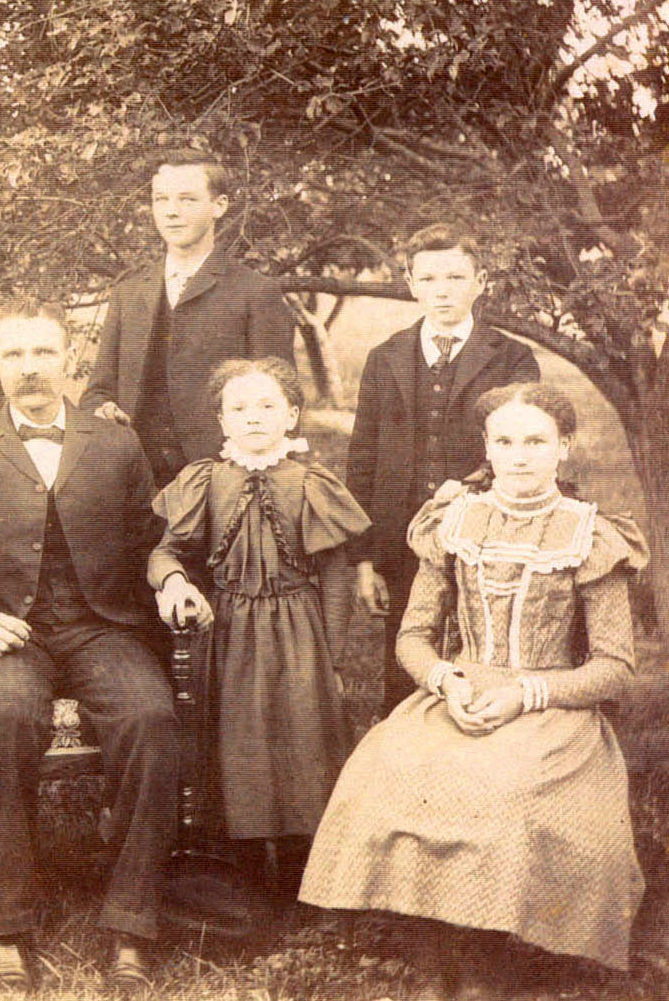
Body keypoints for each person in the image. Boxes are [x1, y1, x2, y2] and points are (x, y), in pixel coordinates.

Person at [300, 382, 646, 1000]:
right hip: (460, 692)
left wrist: (524, 695)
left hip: (548, 704)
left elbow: (614, 667)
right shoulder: (455, 521)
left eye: (536, 441)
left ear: (564, 447)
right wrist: (446, 681)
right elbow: (412, 636)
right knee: (391, 766)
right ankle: (436, 951)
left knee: (501, 791)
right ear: (485, 447)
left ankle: (486, 963)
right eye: (504, 441)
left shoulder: (589, 534)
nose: (519, 456)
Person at [0, 298, 179, 992]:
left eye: (44, 352)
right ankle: (6, 928)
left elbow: (151, 542)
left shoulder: (116, 445)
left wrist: (171, 578)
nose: (30, 368)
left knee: (150, 719)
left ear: (69, 360)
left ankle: (131, 926)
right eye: (16, 355)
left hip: (99, 628)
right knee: (4, 718)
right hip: (9, 635)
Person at [148, 357, 368, 902]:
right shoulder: (205, 480)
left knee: (302, 743)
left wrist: (333, 657)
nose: (253, 417)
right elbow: (165, 552)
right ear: (221, 420)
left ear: (291, 415)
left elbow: (336, 577)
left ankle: (301, 877)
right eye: (239, 408)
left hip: (298, 633)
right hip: (228, 633)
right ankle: (243, 875)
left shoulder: (311, 483)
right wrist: (174, 581)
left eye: (267, 406)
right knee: (238, 744)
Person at [347, 223, 539, 715]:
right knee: (407, 656)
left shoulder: (511, 358)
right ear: (411, 284)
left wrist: (471, 484)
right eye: (429, 279)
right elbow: (362, 460)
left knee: (482, 652)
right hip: (402, 543)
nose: (442, 291)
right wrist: (366, 560)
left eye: (455, 277)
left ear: (480, 281)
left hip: (487, 535)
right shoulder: (386, 357)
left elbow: (525, 446)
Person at [81, 149, 295, 489]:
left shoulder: (255, 293)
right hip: (136, 482)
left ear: (219, 206)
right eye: (161, 199)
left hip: (225, 482)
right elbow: (98, 391)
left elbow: (282, 401)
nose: (171, 211)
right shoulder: (128, 293)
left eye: (187, 199)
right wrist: (103, 409)